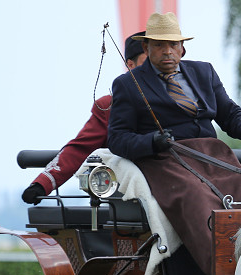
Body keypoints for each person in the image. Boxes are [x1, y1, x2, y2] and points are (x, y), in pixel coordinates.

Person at [106, 12, 241, 275]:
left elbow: (227, 111)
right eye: (159, 45)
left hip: (213, 154)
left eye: (172, 44)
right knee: (197, 195)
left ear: (182, 48)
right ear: (146, 47)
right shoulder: (128, 85)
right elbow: (117, 138)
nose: (167, 51)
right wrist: (152, 142)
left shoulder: (204, 72)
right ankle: (223, 270)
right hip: (165, 159)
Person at [21, 32, 147, 204]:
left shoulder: (187, 101)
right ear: (131, 65)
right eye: (148, 62)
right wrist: (42, 184)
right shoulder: (109, 107)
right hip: (134, 196)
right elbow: (79, 149)